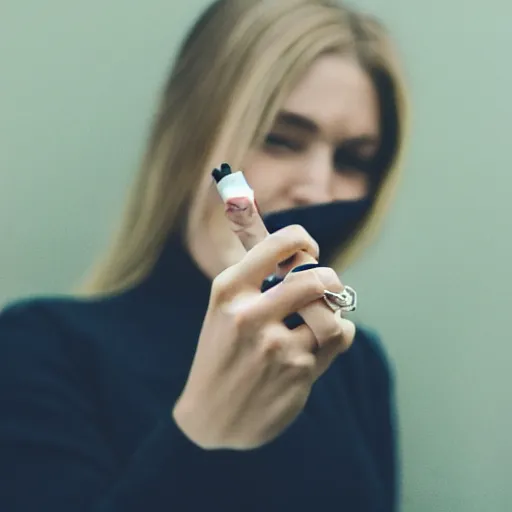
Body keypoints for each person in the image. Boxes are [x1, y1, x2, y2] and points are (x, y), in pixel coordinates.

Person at [0, 0, 407, 510]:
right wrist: (203, 433)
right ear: (189, 140)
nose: (319, 188)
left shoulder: (354, 366)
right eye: (281, 139)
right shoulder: (39, 351)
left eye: (353, 159)